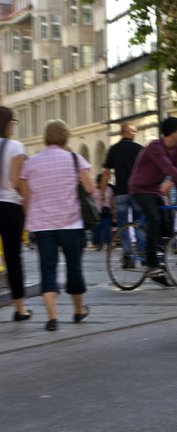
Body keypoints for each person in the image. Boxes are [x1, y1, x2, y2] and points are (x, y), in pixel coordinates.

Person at [18, 120, 92, 331]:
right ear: (66, 138)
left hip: (43, 226)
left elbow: (25, 195)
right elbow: (89, 189)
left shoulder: (31, 162)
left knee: (47, 269)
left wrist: (29, 220)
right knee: (74, 268)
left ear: (46, 137)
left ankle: (52, 317)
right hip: (71, 223)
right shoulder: (74, 159)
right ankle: (78, 311)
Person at [129, 117, 177, 286]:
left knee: (167, 222)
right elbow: (168, 169)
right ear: (172, 131)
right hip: (140, 188)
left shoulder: (176, 148)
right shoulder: (155, 147)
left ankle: (158, 263)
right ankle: (151, 263)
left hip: (154, 189)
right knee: (155, 219)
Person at [100, 122, 144, 268]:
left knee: (123, 225)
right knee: (140, 223)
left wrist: (101, 193)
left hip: (120, 193)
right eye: (135, 132)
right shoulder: (139, 149)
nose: (135, 134)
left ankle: (128, 257)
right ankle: (143, 254)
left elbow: (106, 173)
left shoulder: (114, 149)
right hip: (137, 192)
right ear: (130, 132)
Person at [0, 107, 30, 321]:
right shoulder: (16, 146)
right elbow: (16, 182)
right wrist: (29, 210)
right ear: (8, 124)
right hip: (10, 207)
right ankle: (19, 309)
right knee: (13, 258)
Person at [92, 173, 115, 251]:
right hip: (97, 213)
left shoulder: (109, 189)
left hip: (107, 213)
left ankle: (108, 244)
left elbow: (112, 200)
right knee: (97, 229)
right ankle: (98, 244)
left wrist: (114, 210)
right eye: (101, 181)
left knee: (106, 228)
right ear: (98, 182)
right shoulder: (94, 191)